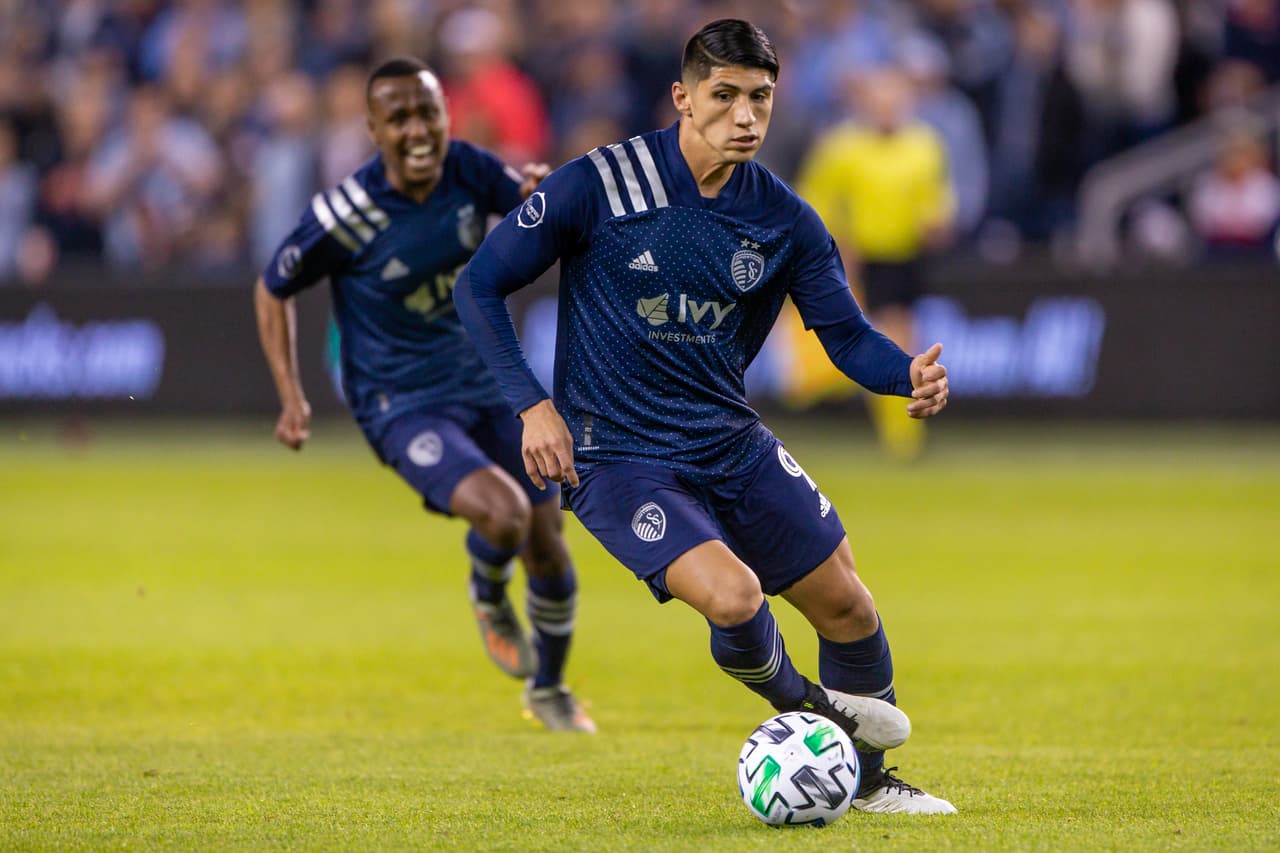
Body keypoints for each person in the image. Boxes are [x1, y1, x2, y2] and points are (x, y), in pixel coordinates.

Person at [456, 20, 954, 813]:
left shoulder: (785, 219)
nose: (746, 115)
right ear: (684, 99)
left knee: (850, 604)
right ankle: (817, 717)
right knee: (733, 597)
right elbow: (477, 286)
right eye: (725, 96)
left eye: (760, 97)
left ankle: (870, 783)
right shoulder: (598, 184)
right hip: (616, 457)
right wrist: (532, 407)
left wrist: (905, 376)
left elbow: (847, 335)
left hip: (729, 442)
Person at [253, 57, 594, 733]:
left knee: (550, 535)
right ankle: (485, 585)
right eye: (399, 117)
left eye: (428, 112)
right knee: (504, 517)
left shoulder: (469, 168)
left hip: (485, 380)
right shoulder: (343, 215)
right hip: (401, 399)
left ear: (446, 115)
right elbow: (272, 289)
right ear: (372, 128)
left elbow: (527, 204)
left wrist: (536, 196)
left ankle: (550, 688)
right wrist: (291, 395)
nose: (417, 129)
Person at [796, 66, 955, 462]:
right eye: (879, 101)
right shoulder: (842, 148)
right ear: (864, 104)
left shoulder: (924, 145)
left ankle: (900, 430)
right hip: (860, 256)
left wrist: (936, 219)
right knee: (884, 336)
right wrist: (836, 241)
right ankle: (902, 435)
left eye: (894, 101)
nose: (887, 109)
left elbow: (936, 196)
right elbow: (813, 197)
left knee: (899, 335)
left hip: (905, 256)